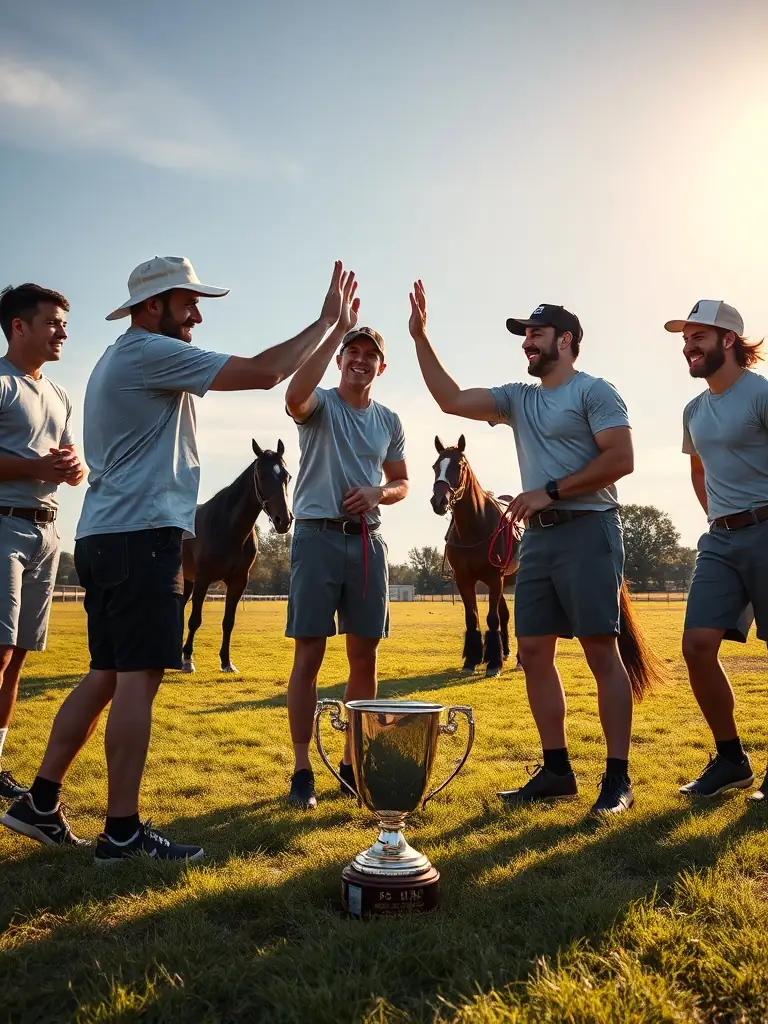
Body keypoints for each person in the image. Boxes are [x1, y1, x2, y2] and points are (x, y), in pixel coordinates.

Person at [2, 256, 354, 861]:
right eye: (187, 304)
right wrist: (328, 322)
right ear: (151, 306)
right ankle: (122, 833)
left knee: (106, 674)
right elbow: (268, 372)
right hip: (141, 540)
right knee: (138, 678)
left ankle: (38, 803)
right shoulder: (146, 352)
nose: (196, 316)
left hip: (107, 536)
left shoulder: (122, 356)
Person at [409, 283, 640, 814]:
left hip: (588, 529)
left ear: (567, 340)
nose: (526, 344)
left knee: (600, 652)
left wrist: (548, 491)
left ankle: (617, 779)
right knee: (533, 652)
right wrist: (421, 338)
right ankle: (557, 770)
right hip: (538, 539)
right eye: (525, 336)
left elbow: (621, 458)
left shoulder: (594, 392)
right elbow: (450, 399)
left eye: (536, 334)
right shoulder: (519, 397)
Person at [284, 275, 408, 809]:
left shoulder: (389, 419)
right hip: (315, 537)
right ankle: (303, 769)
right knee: (309, 654)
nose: (360, 360)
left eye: (369, 355)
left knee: (365, 657)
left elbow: (403, 483)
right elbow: (292, 396)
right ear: (339, 360)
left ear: (382, 366)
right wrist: (332, 324)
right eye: (351, 352)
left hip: (367, 544)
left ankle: (357, 763)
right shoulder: (322, 405)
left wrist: (379, 492)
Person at [666, 299, 768, 799]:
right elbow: (699, 469)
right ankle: (731, 760)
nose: (688, 347)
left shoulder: (761, 395)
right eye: (685, 339)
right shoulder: (694, 410)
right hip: (720, 539)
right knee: (697, 645)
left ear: (728, 340)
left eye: (697, 338)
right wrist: (718, 517)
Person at [0, 284, 84, 800]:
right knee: (0, 652)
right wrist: (34, 467)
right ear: (19, 327)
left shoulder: (59, 393)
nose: (63, 332)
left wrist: (74, 468)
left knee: (20, 655)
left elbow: (72, 464)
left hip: (47, 531)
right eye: (52, 322)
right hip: (4, 524)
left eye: (63, 323)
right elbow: (34, 463)